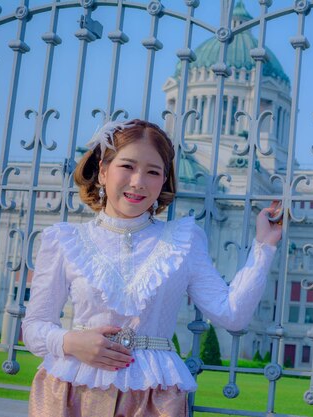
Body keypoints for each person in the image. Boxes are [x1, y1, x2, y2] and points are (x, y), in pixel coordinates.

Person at [22, 119, 282, 417]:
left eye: (153, 172)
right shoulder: (66, 240)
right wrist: (69, 341)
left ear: (164, 182)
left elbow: (232, 314)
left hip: (154, 399)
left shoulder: (182, 242)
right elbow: (33, 326)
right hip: (72, 389)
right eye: (127, 166)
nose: (138, 182)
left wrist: (265, 246)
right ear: (103, 171)